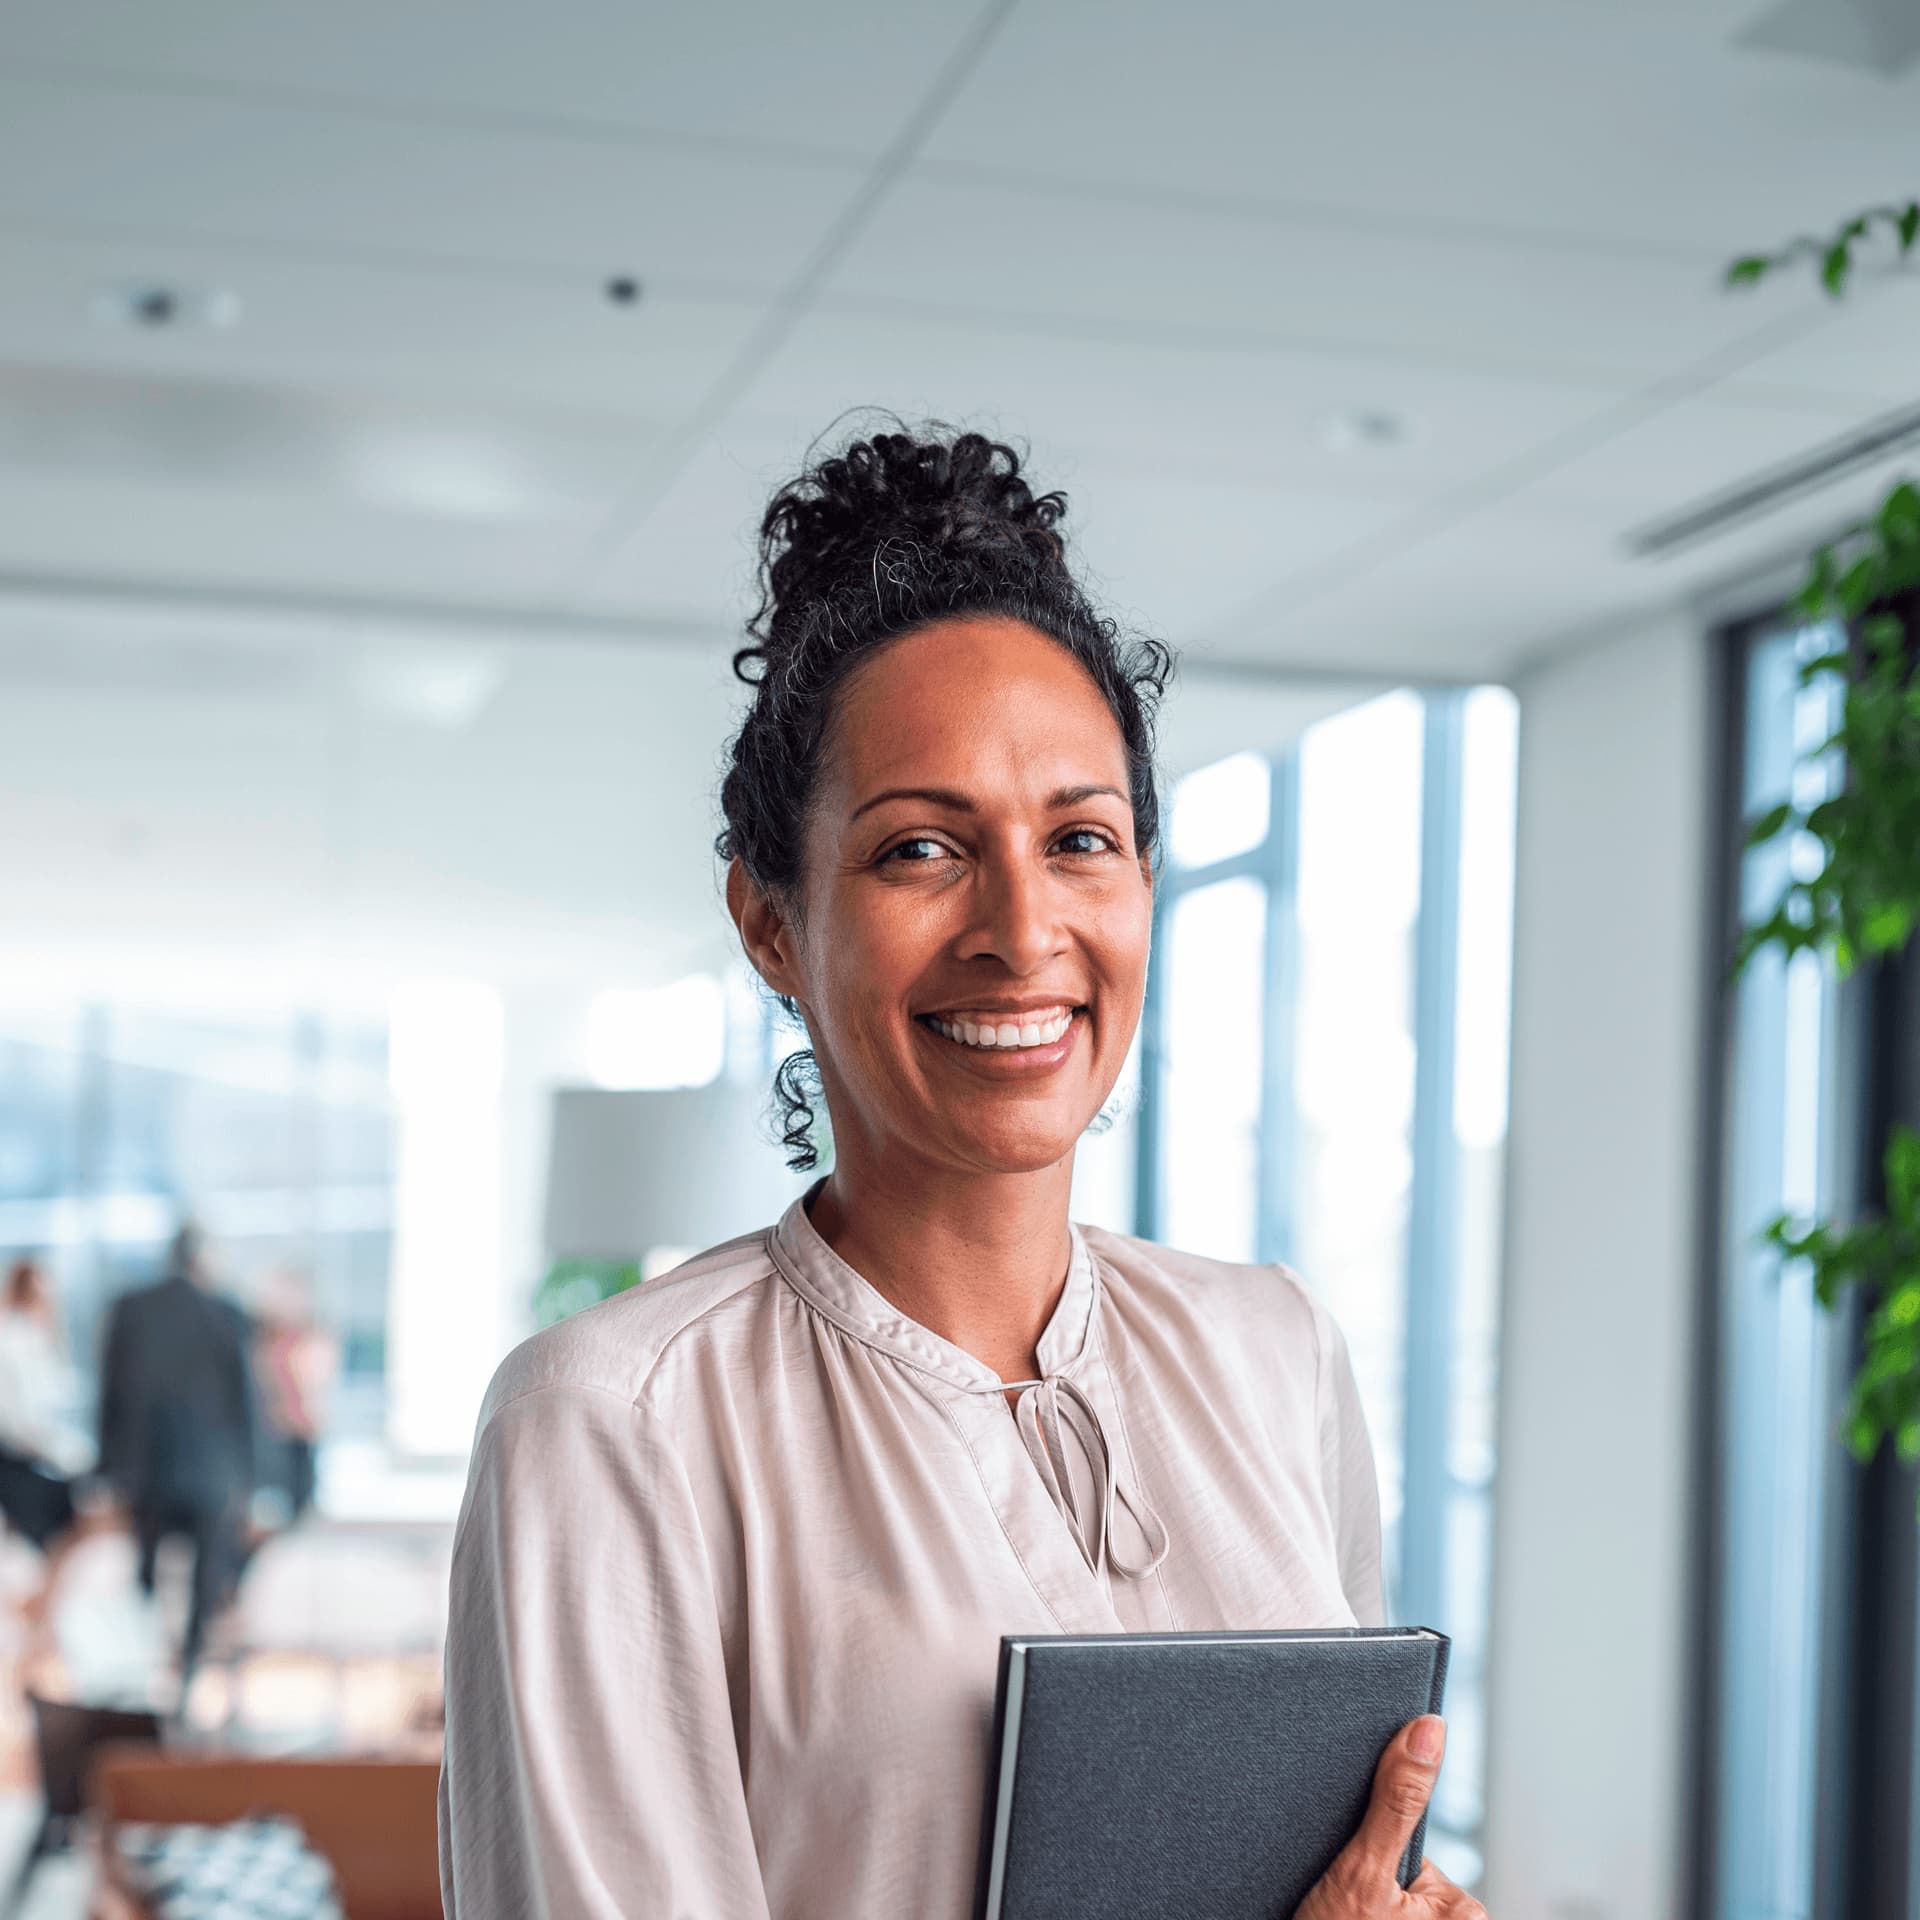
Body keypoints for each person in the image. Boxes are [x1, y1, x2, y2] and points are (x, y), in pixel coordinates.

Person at [439, 426, 1487, 1920]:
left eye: (1081, 839)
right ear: (773, 924)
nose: (1023, 925)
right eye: (922, 849)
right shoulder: (614, 1426)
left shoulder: (1274, 1353)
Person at [97, 1223, 261, 1679]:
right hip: (212, 1475)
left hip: (146, 1472)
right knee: (203, 1581)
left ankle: (144, 1675)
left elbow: (110, 1394)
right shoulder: (224, 1312)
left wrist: (107, 1467)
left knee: (146, 1577)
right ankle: (186, 1675)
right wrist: (250, 1478)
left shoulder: (130, 1309)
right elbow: (243, 1401)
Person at [0, 1256, 98, 1636]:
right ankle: (37, 1618)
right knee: (70, 1535)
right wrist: (73, 1456)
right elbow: (23, 1424)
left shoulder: (40, 1342)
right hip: (22, 1464)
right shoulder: (14, 1342)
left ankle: (39, 1620)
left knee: (64, 1548)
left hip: (46, 1460)